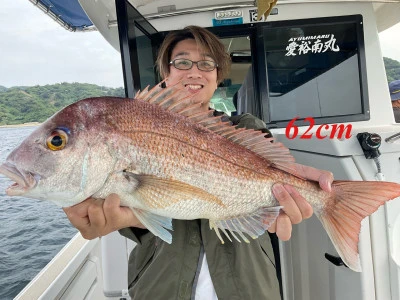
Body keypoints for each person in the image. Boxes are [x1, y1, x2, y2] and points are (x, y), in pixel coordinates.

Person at [63, 26, 334, 299]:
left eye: (206, 63)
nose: (194, 71)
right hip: (161, 285)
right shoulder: (132, 130)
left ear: (218, 77)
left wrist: (289, 194)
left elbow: (268, 182)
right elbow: (133, 207)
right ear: (166, 75)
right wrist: (127, 219)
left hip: (248, 286)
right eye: (182, 62)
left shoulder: (245, 129)